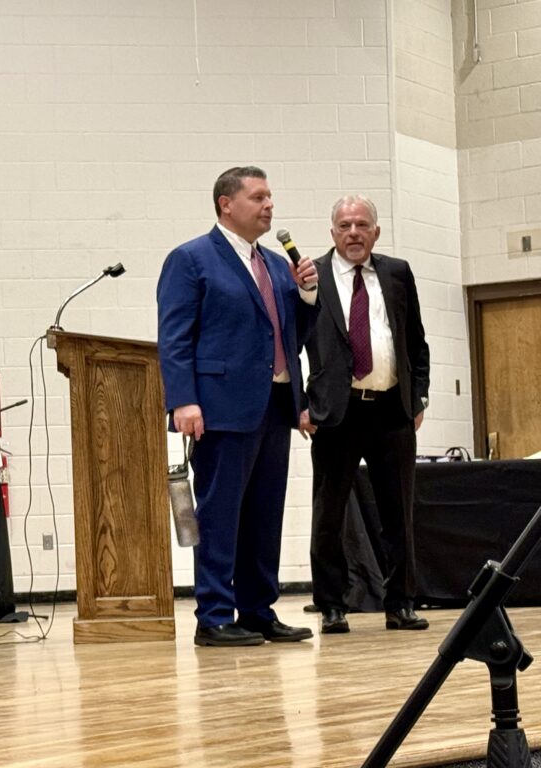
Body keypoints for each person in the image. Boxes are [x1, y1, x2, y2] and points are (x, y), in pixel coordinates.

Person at [156, 166, 320, 647]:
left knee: (265, 514)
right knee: (220, 514)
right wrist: (183, 399)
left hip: (274, 403)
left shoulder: (274, 265)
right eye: (258, 197)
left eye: (271, 197)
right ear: (226, 204)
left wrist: (307, 294)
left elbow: (294, 335)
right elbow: (175, 336)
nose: (269, 205)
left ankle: (257, 610)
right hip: (222, 407)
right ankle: (213, 615)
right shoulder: (191, 259)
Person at [299, 195, 430, 634]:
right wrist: (300, 404)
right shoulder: (310, 275)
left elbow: (416, 341)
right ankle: (332, 605)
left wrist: (420, 398)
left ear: (376, 231)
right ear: (332, 232)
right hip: (336, 414)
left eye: (361, 224)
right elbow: (288, 341)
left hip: (393, 410)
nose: (353, 232)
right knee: (329, 513)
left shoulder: (397, 273)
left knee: (398, 513)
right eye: (344, 225)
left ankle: (401, 603)